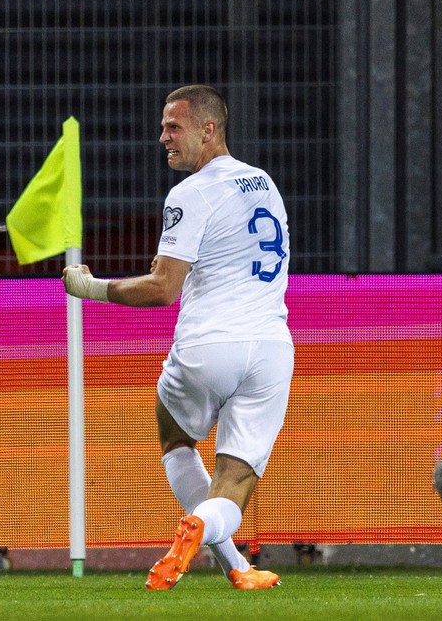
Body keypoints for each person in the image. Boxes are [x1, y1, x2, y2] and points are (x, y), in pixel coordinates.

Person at [62, 85, 291, 590]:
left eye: (174, 127)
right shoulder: (264, 183)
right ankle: (236, 563)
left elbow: (163, 288)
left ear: (208, 130)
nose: (162, 136)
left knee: (175, 436)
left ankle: (208, 537)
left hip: (209, 346)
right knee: (233, 484)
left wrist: (89, 287)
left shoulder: (191, 192)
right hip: (272, 349)